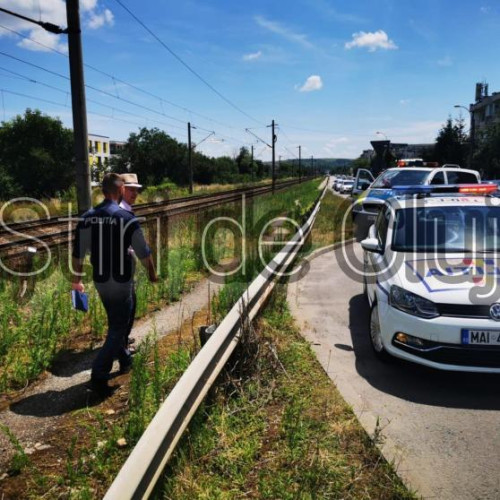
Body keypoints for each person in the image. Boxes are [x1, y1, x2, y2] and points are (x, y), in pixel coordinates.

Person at [72, 173, 157, 397]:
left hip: (101, 280)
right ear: (120, 190)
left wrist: (77, 280)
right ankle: (99, 374)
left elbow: (78, 254)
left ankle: (126, 360)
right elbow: (143, 252)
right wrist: (152, 273)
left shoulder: (87, 217)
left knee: (116, 322)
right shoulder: (125, 217)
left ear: (102, 191)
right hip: (120, 281)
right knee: (119, 328)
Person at [119, 173, 142, 351]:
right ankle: (122, 345)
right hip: (122, 264)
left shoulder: (124, 208)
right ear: (121, 189)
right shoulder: (122, 210)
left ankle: (123, 339)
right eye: (130, 190)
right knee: (128, 304)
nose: (134, 193)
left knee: (129, 303)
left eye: (136, 190)